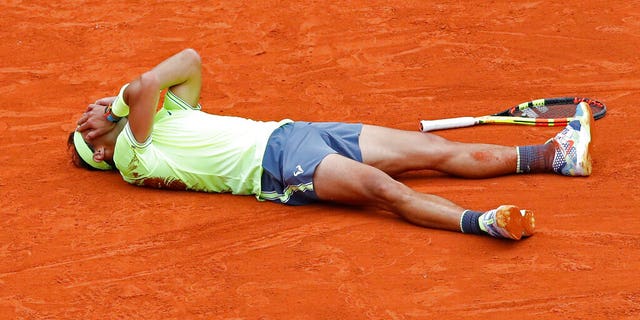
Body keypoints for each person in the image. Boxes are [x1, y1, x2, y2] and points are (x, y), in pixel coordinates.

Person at [68, 48, 594, 241]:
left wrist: (117, 108)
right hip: (279, 168)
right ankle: (482, 222)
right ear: (100, 146)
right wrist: (114, 108)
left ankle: (553, 156)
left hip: (298, 132)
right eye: (86, 119)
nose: (90, 108)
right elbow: (141, 85)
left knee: (429, 152)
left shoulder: (165, 119)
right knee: (388, 192)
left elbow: (188, 59)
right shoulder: (136, 154)